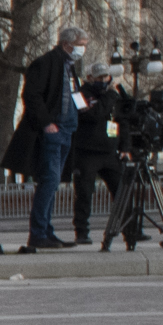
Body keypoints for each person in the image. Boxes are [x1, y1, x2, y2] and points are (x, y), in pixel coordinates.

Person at [11, 27, 83, 251]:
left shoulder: (69, 67)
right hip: (53, 130)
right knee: (49, 182)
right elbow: (32, 95)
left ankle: (46, 231)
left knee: (52, 184)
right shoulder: (46, 63)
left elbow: (71, 95)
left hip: (66, 129)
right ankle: (39, 233)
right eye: (81, 44)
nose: (83, 49)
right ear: (67, 44)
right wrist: (47, 124)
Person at [63, 57, 123, 247]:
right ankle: (81, 231)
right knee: (85, 193)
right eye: (99, 77)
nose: (103, 81)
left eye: (106, 77)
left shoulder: (112, 95)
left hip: (109, 151)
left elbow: (122, 120)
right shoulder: (79, 96)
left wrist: (125, 146)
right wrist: (110, 96)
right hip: (87, 152)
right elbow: (92, 114)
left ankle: (130, 228)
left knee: (122, 190)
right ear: (89, 78)